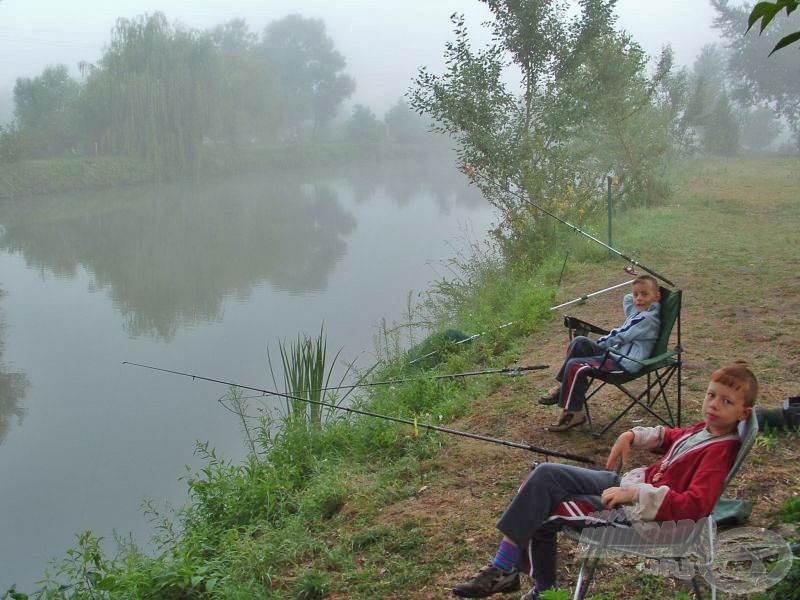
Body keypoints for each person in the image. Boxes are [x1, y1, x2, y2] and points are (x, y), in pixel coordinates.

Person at [452, 363, 758, 599]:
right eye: (711, 395)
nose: (714, 405)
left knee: (545, 511)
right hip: (631, 489)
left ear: (743, 414)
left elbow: (695, 505)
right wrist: (631, 434)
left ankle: (538, 588)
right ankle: (505, 567)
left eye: (726, 402)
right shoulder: (706, 429)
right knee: (542, 475)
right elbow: (672, 436)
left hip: (643, 518)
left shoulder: (719, 452)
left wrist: (634, 494)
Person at [540, 275, 662, 432]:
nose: (638, 299)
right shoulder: (640, 311)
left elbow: (620, 334)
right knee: (580, 342)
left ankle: (574, 413)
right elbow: (627, 299)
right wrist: (641, 288)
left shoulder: (647, 318)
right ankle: (563, 385)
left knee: (575, 365)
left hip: (625, 362)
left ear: (657, 296)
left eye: (645, 294)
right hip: (617, 354)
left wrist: (599, 344)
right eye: (636, 294)